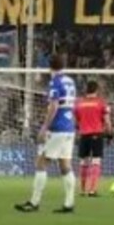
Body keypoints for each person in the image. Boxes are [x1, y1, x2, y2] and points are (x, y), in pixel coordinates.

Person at [15, 55, 78, 214]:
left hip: (57, 128)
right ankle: (69, 203)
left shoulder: (54, 82)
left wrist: (44, 127)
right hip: (69, 126)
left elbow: (54, 106)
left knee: (41, 162)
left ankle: (34, 202)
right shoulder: (70, 81)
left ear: (49, 67)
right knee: (65, 166)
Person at [74, 81, 110, 197]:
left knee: (83, 162)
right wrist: (110, 133)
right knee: (96, 161)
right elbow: (107, 121)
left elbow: (75, 121)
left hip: (83, 134)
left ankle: (82, 190)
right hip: (96, 134)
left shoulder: (79, 103)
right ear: (97, 90)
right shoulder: (101, 103)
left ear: (86, 90)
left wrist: (81, 127)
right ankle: (92, 190)